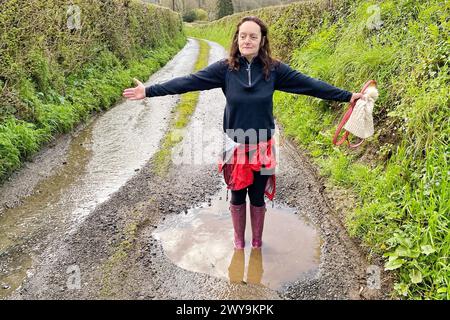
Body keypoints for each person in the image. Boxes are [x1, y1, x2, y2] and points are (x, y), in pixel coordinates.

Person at [123, 16, 363, 250]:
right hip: (234, 146)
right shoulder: (224, 70)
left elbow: (310, 85)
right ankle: (239, 243)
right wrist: (149, 91)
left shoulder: (274, 70)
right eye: (243, 36)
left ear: (261, 40)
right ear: (237, 39)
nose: (247, 40)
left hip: (266, 146)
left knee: (258, 197)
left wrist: (347, 96)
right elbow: (188, 82)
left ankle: (257, 244)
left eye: (253, 36)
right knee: (237, 196)